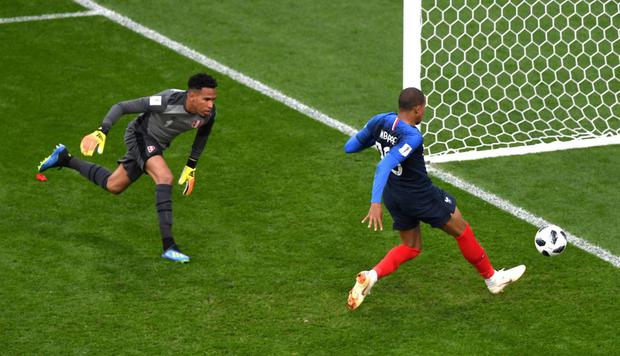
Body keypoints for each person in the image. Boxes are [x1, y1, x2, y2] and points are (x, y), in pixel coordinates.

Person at [344, 87, 525, 310]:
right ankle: (492, 279)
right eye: (424, 109)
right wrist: (374, 203)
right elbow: (384, 165)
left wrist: (379, 141)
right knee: (461, 229)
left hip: (395, 196)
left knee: (411, 246)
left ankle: (371, 276)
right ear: (418, 109)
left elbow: (350, 147)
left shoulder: (380, 121)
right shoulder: (412, 135)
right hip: (419, 195)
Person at [37, 73, 219, 263]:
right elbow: (122, 106)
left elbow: (202, 136)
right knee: (164, 177)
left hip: (157, 145)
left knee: (113, 185)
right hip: (140, 136)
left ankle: (64, 158)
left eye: (213, 100)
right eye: (206, 99)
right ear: (191, 96)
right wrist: (102, 131)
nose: (210, 105)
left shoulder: (209, 114)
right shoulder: (167, 100)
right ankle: (169, 246)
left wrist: (191, 166)